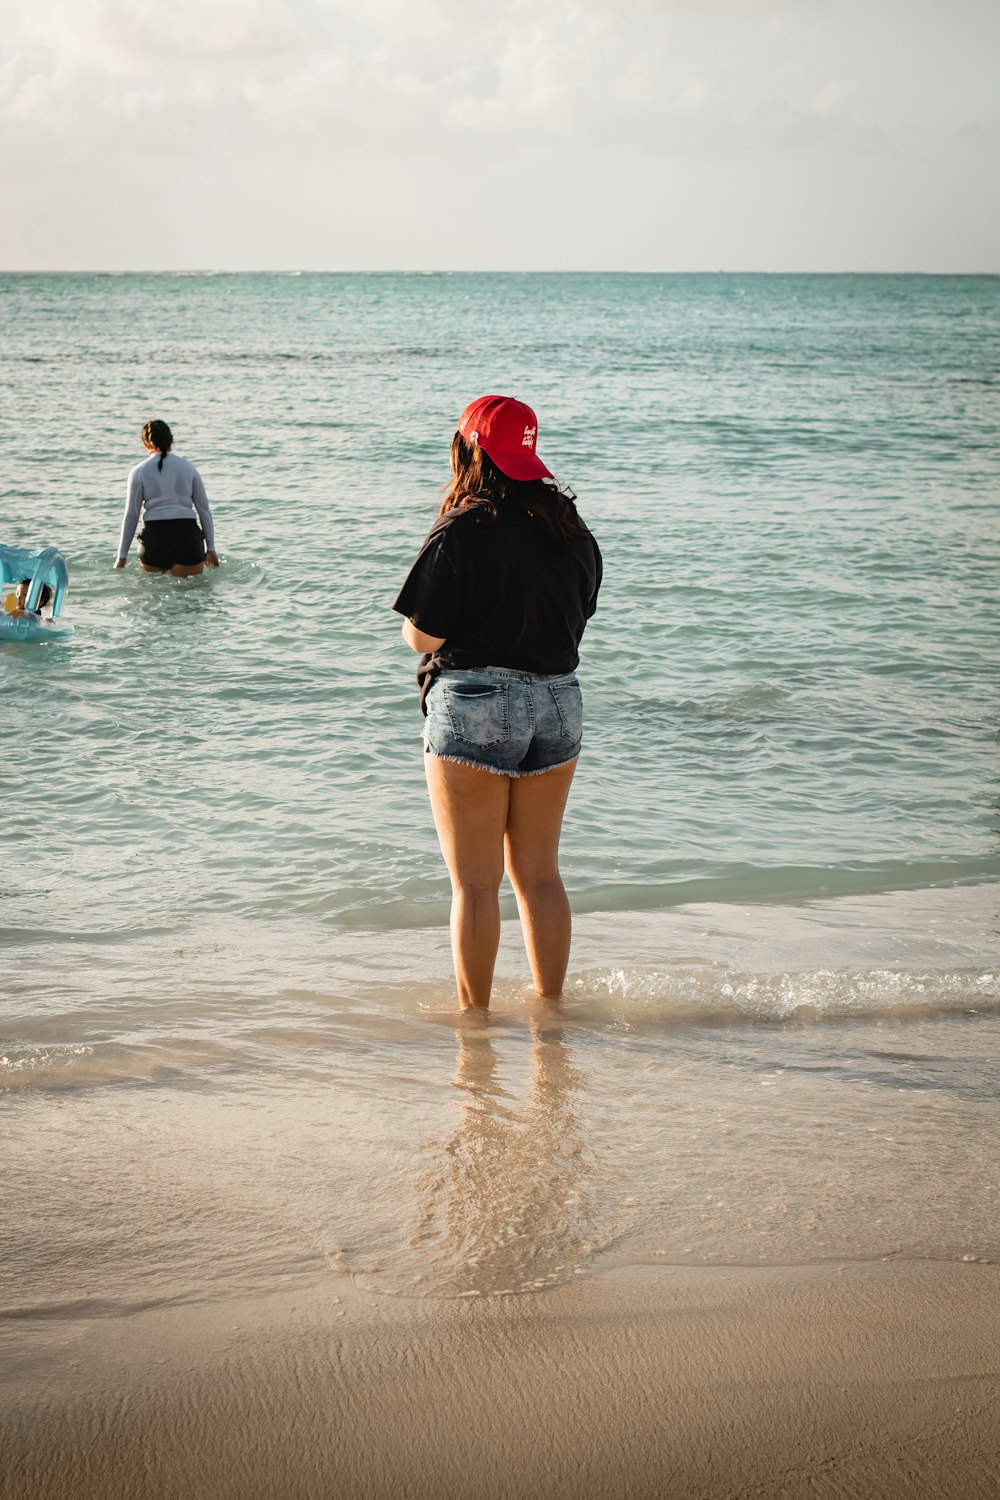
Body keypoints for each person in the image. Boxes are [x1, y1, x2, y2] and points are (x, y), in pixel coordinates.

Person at [393, 395, 602, 1012]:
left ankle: (476, 1026)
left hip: (474, 700)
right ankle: (551, 1012)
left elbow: (422, 635)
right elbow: (579, 617)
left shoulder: (462, 527)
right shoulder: (571, 529)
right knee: (540, 877)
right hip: (558, 701)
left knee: (476, 887)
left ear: (471, 448)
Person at [114, 420, 220, 575]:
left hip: (154, 542)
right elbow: (204, 511)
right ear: (171, 440)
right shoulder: (188, 467)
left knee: (156, 594)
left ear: (145, 444)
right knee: (191, 595)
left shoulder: (138, 471)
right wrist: (211, 548)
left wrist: (121, 557)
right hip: (188, 539)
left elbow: (132, 516)